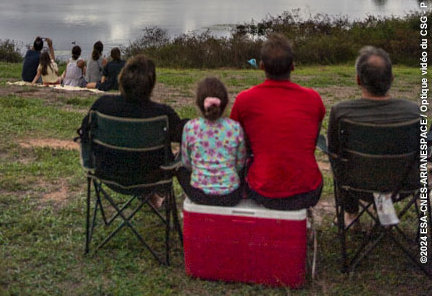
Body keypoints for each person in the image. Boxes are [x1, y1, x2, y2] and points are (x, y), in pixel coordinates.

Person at [230, 33, 325, 210]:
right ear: (293, 67)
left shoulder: (245, 100)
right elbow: (311, 140)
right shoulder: (313, 99)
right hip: (308, 191)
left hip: (263, 191)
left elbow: (236, 143)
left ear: (261, 66)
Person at [327, 45, 420, 223]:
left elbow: (334, 152)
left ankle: (351, 214)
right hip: (405, 186)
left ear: (358, 80)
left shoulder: (341, 112)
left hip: (356, 186)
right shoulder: (414, 112)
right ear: (391, 78)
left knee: (338, 162)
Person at [81, 54, 185, 186]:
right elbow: (184, 134)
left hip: (108, 174)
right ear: (151, 84)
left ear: (122, 78)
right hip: (152, 176)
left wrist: (88, 161)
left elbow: (85, 132)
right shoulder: (162, 114)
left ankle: (152, 198)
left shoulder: (102, 106)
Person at [177, 76, 245, 206]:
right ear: (225, 103)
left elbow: (186, 163)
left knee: (180, 171)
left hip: (199, 195)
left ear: (198, 103)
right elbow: (240, 164)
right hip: (231, 196)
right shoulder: (235, 127)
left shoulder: (190, 127)